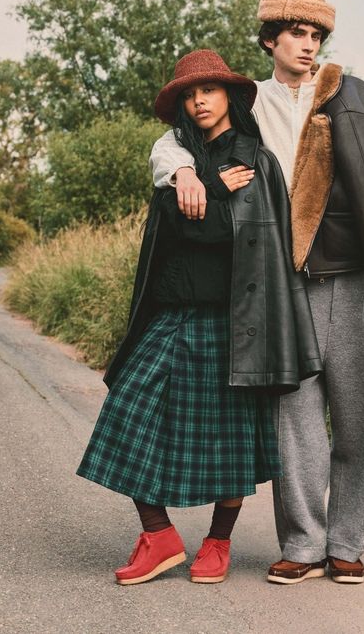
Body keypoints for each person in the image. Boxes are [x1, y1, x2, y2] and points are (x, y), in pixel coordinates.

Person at [149, 0, 364, 584]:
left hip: (357, 277)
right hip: (280, 280)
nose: (308, 45)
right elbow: (173, 139)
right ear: (270, 40)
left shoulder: (357, 98)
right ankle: (304, 545)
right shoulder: (248, 104)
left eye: (316, 35)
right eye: (296, 33)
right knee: (295, 421)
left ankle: (348, 542)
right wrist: (183, 172)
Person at [78, 49, 322, 586]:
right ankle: (160, 535)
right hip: (172, 313)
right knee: (127, 412)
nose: (198, 101)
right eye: (189, 95)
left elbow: (215, 233)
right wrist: (200, 186)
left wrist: (196, 201)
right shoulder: (178, 156)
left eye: (207, 90)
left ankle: (218, 542)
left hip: (232, 321)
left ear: (228, 95)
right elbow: (169, 220)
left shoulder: (252, 159)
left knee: (230, 441)